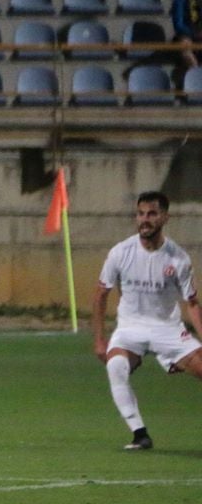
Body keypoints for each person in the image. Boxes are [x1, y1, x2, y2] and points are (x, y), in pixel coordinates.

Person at [91, 191, 202, 451]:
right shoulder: (121, 252)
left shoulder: (178, 259)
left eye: (152, 214)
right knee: (115, 365)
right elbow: (100, 294)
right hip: (130, 329)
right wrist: (99, 339)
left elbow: (192, 303)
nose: (145, 219)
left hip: (168, 329)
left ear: (165, 217)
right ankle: (140, 434)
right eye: (141, 214)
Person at [171, 0, 201, 75]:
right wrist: (195, 33)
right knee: (185, 46)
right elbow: (178, 24)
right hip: (188, 35)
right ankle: (197, 76)